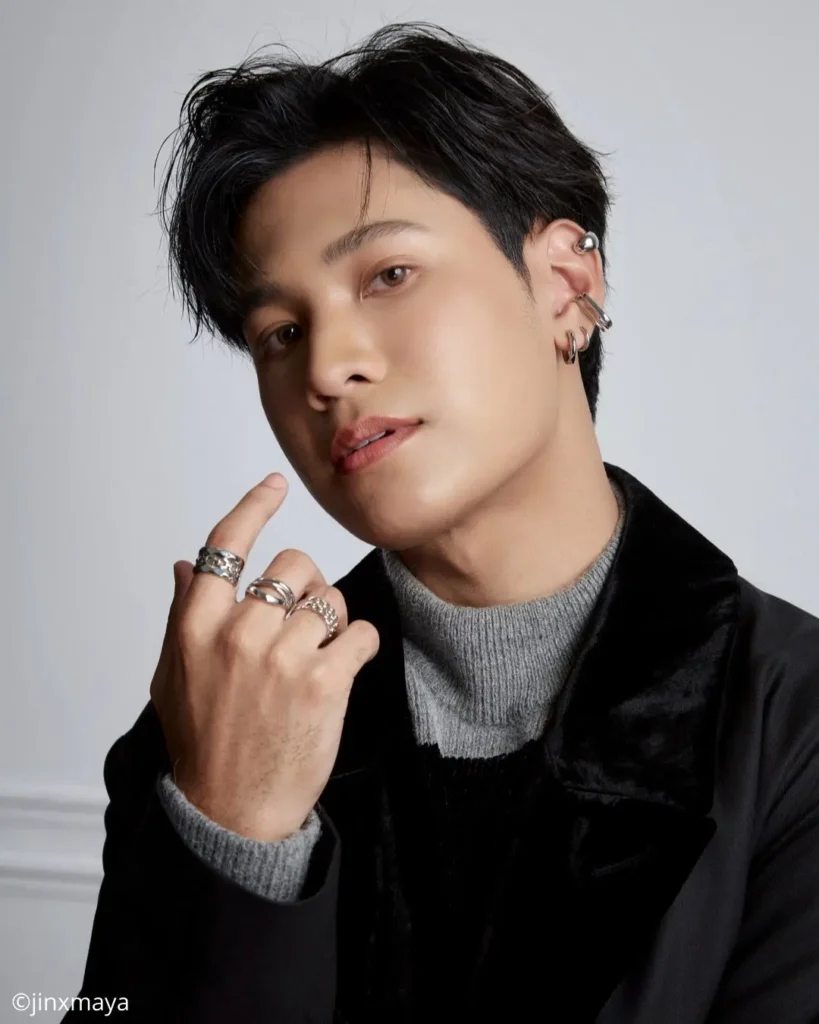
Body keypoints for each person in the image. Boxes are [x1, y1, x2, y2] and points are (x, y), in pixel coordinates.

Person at [69, 21, 819, 1024]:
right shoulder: (219, 717)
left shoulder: (790, 723)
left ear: (567, 285)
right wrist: (237, 834)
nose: (327, 367)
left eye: (388, 275)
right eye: (280, 332)